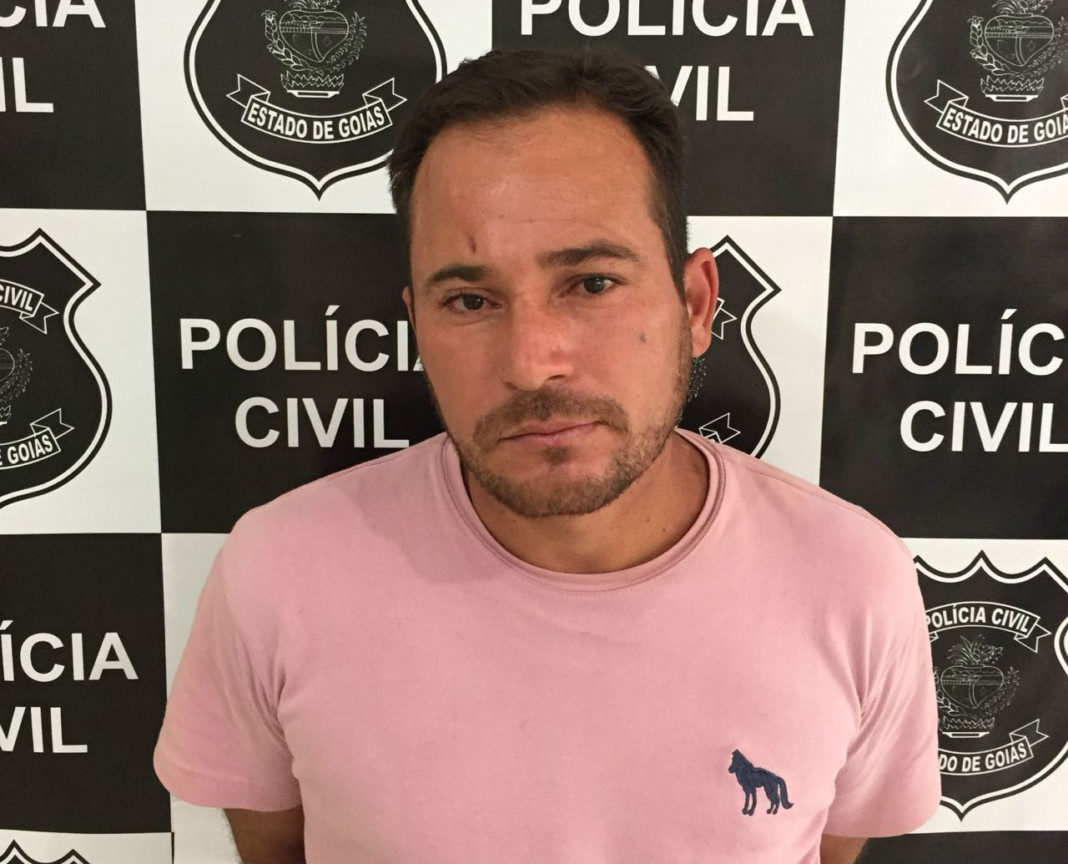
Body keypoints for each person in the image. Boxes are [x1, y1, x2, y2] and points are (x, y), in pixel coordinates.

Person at [153, 46, 941, 864]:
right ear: (418, 325)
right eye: (470, 300)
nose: (531, 363)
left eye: (592, 283)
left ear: (695, 304)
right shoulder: (278, 571)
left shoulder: (852, 580)